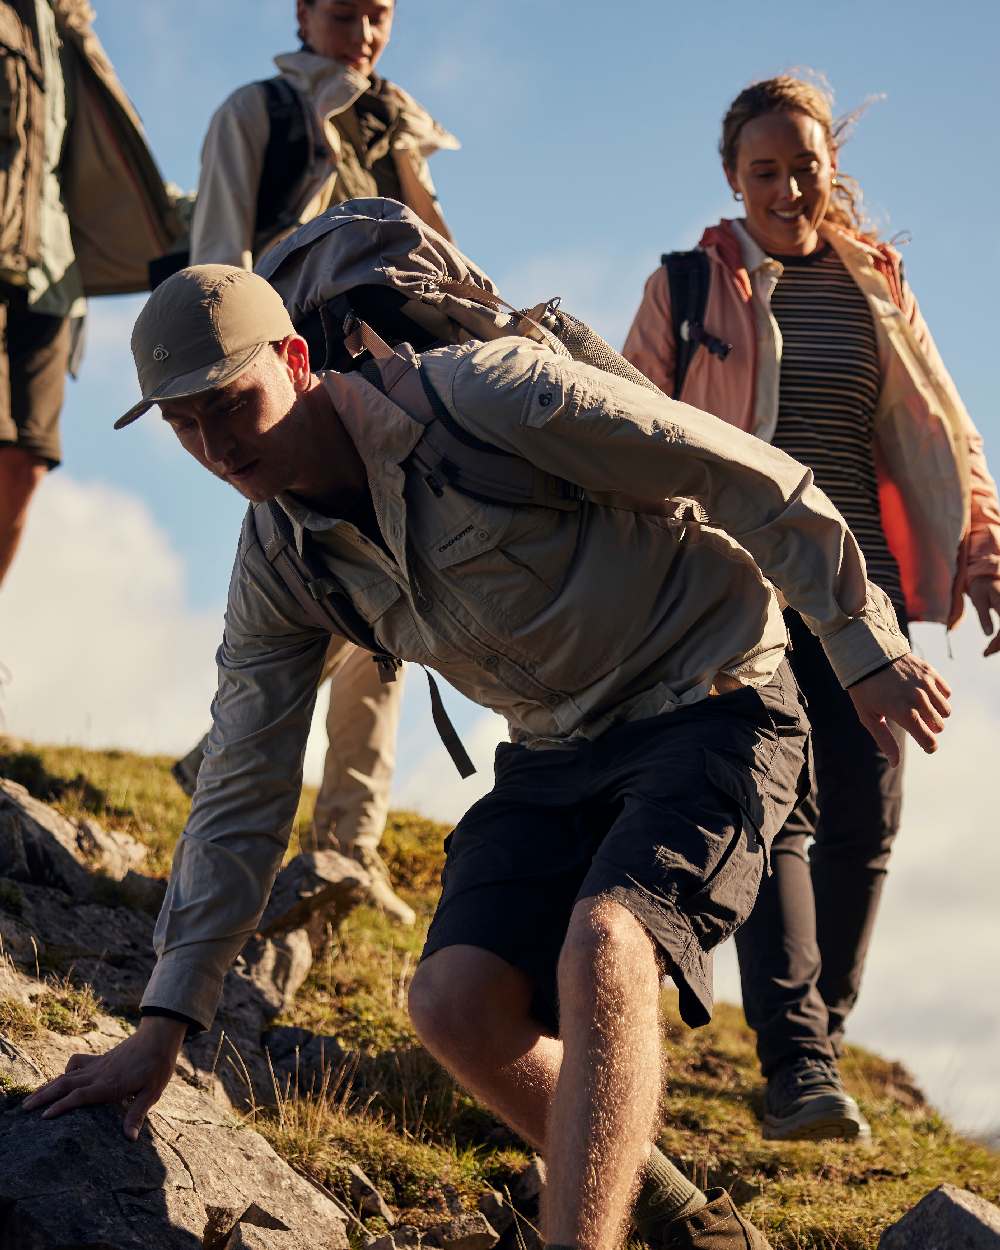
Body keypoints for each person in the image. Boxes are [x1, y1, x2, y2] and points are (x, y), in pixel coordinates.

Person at [25, 264, 951, 1250]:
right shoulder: (281, 562)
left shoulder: (486, 398)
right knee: (452, 1002)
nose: (215, 444)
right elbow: (241, 783)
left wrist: (863, 642)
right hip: (555, 746)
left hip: (709, 694)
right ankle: (689, 1227)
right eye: (182, 424)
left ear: (294, 359)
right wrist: (167, 1018)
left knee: (608, 943)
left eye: (227, 403)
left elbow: (730, 465)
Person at [622, 73, 1000, 1144]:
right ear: (733, 180)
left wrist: (982, 548)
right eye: (764, 172)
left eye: (804, 168)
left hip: (868, 586)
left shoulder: (875, 282)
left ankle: (815, 1037)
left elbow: (944, 431)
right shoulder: (687, 286)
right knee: (778, 807)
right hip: (742, 587)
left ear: (832, 169)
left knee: (866, 818)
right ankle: (793, 1064)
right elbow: (625, 425)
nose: (787, 189)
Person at [170, 0, 459, 926]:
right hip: (287, 394)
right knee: (333, 588)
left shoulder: (398, 125)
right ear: (301, 11)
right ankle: (263, 778)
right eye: (344, 12)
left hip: (400, 386)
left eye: (380, 13)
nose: (365, 32)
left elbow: (437, 260)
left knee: (398, 594)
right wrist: (226, 392)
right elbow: (214, 269)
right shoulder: (258, 113)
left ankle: (346, 844)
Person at [0, 0, 179, 587]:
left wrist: (226, 206)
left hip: (49, 279)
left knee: (26, 460)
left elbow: (95, 171)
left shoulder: (68, 24)